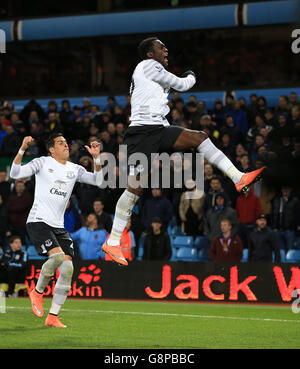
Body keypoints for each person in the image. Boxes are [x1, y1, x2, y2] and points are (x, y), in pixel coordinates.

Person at [101, 36, 265, 266]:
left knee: (199, 137)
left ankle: (238, 177)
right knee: (134, 189)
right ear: (150, 53)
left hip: (158, 128)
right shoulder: (148, 65)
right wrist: (192, 75)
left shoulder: (152, 73)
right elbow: (183, 85)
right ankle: (114, 240)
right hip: (141, 133)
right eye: (160, 46)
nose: (165, 48)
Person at [9, 133, 103, 328]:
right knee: (58, 257)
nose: (66, 145)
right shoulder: (42, 162)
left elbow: (98, 181)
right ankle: (37, 291)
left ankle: (52, 316)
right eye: (60, 143)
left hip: (58, 226)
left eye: (66, 143)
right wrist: (22, 149)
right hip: (38, 221)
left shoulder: (74, 168)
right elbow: (15, 174)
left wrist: (96, 158)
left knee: (68, 269)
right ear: (51, 149)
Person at [271, 186, 300, 251]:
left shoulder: (295, 201)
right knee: (279, 250)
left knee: (290, 250)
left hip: (289, 230)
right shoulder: (276, 199)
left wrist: (298, 225)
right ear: (281, 190)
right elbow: (272, 214)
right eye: (284, 189)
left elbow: (298, 214)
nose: (285, 190)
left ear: (290, 190)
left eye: (287, 189)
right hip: (277, 230)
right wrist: (273, 227)